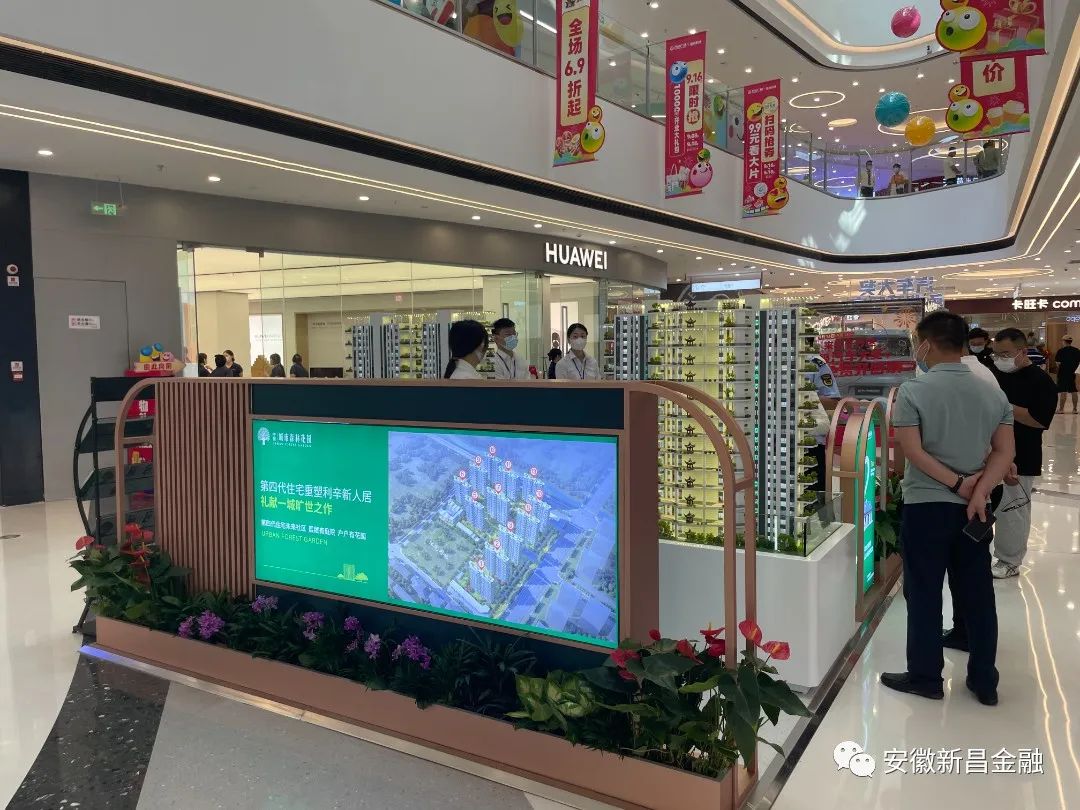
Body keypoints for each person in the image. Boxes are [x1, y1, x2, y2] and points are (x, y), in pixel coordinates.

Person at [881, 311, 1014, 706]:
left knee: (923, 592)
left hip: (926, 507)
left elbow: (912, 450)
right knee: (978, 593)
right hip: (974, 510)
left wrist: (956, 483)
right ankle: (984, 680)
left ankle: (925, 677)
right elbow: (1004, 451)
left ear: (925, 344)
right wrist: (978, 490)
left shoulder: (913, 391)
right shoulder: (992, 393)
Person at [986, 329, 1057, 577]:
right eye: (996, 354)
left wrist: (1004, 406)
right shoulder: (993, 375)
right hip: (988, 452)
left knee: (1012, 508)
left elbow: (1039, 420)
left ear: (1022, 351)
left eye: (1005, 354)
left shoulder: (1040, 381)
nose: (999, 359)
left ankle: (1009, 560)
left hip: (1022, 454)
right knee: (986, 504)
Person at [804, 354, 841, 491]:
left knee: (813, 495)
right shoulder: (767, 359)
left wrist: (804, 397)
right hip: (773, 442)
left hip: (810, 442)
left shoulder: (814, 362)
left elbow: (833, 401)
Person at [1054, 336, 1080, 413]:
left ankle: (1061, 409)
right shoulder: (1077, 351)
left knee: (1063, 391)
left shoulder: (1060, 351)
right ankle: (1075, 409)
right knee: (1074, 391)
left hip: (1063, 373)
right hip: (1073, 374)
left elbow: (1058, 364)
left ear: (1064, 341)